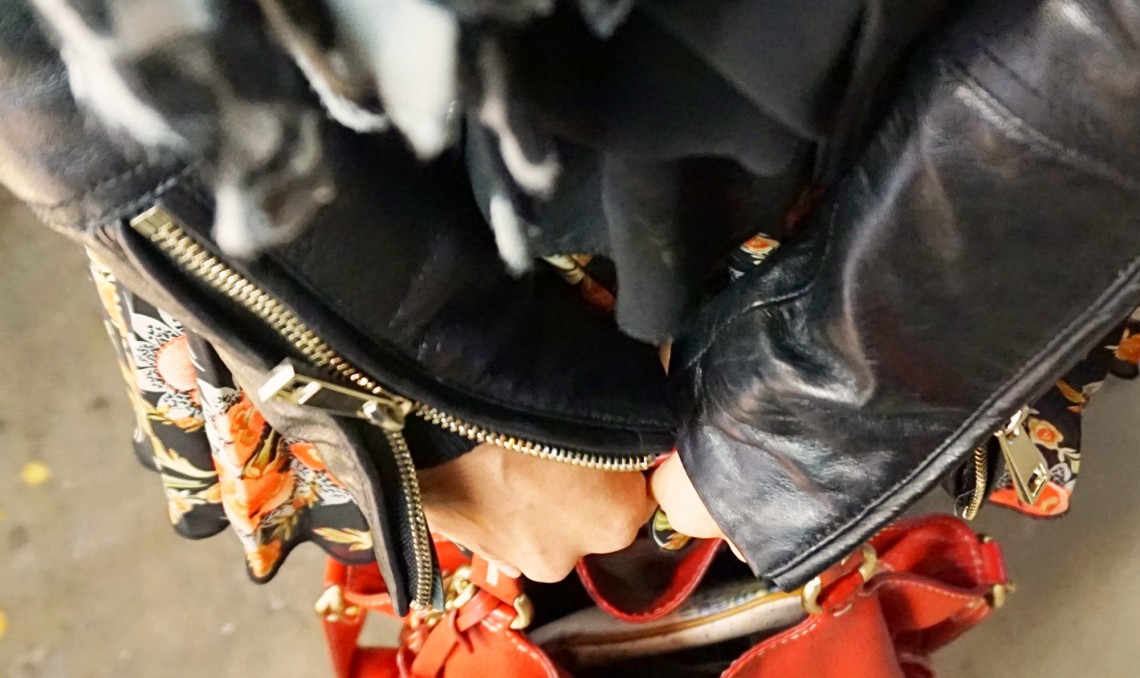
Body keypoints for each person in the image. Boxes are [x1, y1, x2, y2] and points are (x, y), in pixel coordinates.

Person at [4, 0, 1140, 622]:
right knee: (504, 565)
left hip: (898, 155)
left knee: (760, 556)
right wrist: (427, 409)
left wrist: (804, 420)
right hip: (273, 171)